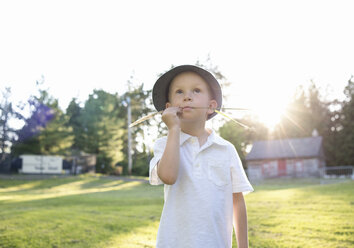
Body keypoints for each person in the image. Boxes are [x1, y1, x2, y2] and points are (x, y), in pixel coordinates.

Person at [149, 65, 254, 248]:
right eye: (179, 91)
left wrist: (243, 246)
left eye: (196, 90)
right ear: (168, 108)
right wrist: (173, 128)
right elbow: (168, 176)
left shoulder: (226, 150)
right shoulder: (164, 145)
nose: (187, 96)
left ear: (211, 106)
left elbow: (237, 201)